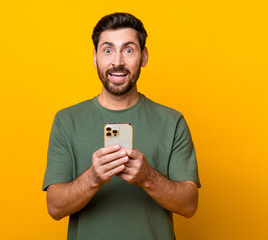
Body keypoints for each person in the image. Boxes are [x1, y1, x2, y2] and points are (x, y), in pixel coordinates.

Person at [42, 12, 200, 240]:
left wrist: (147, 177)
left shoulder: (172, 121)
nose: (117, 62)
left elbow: (189, 206)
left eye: (128, 50)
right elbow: (55, 208)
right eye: (108, 50)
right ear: (95, 57)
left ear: (143, 57)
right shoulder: (66, 121)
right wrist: (93, 178)